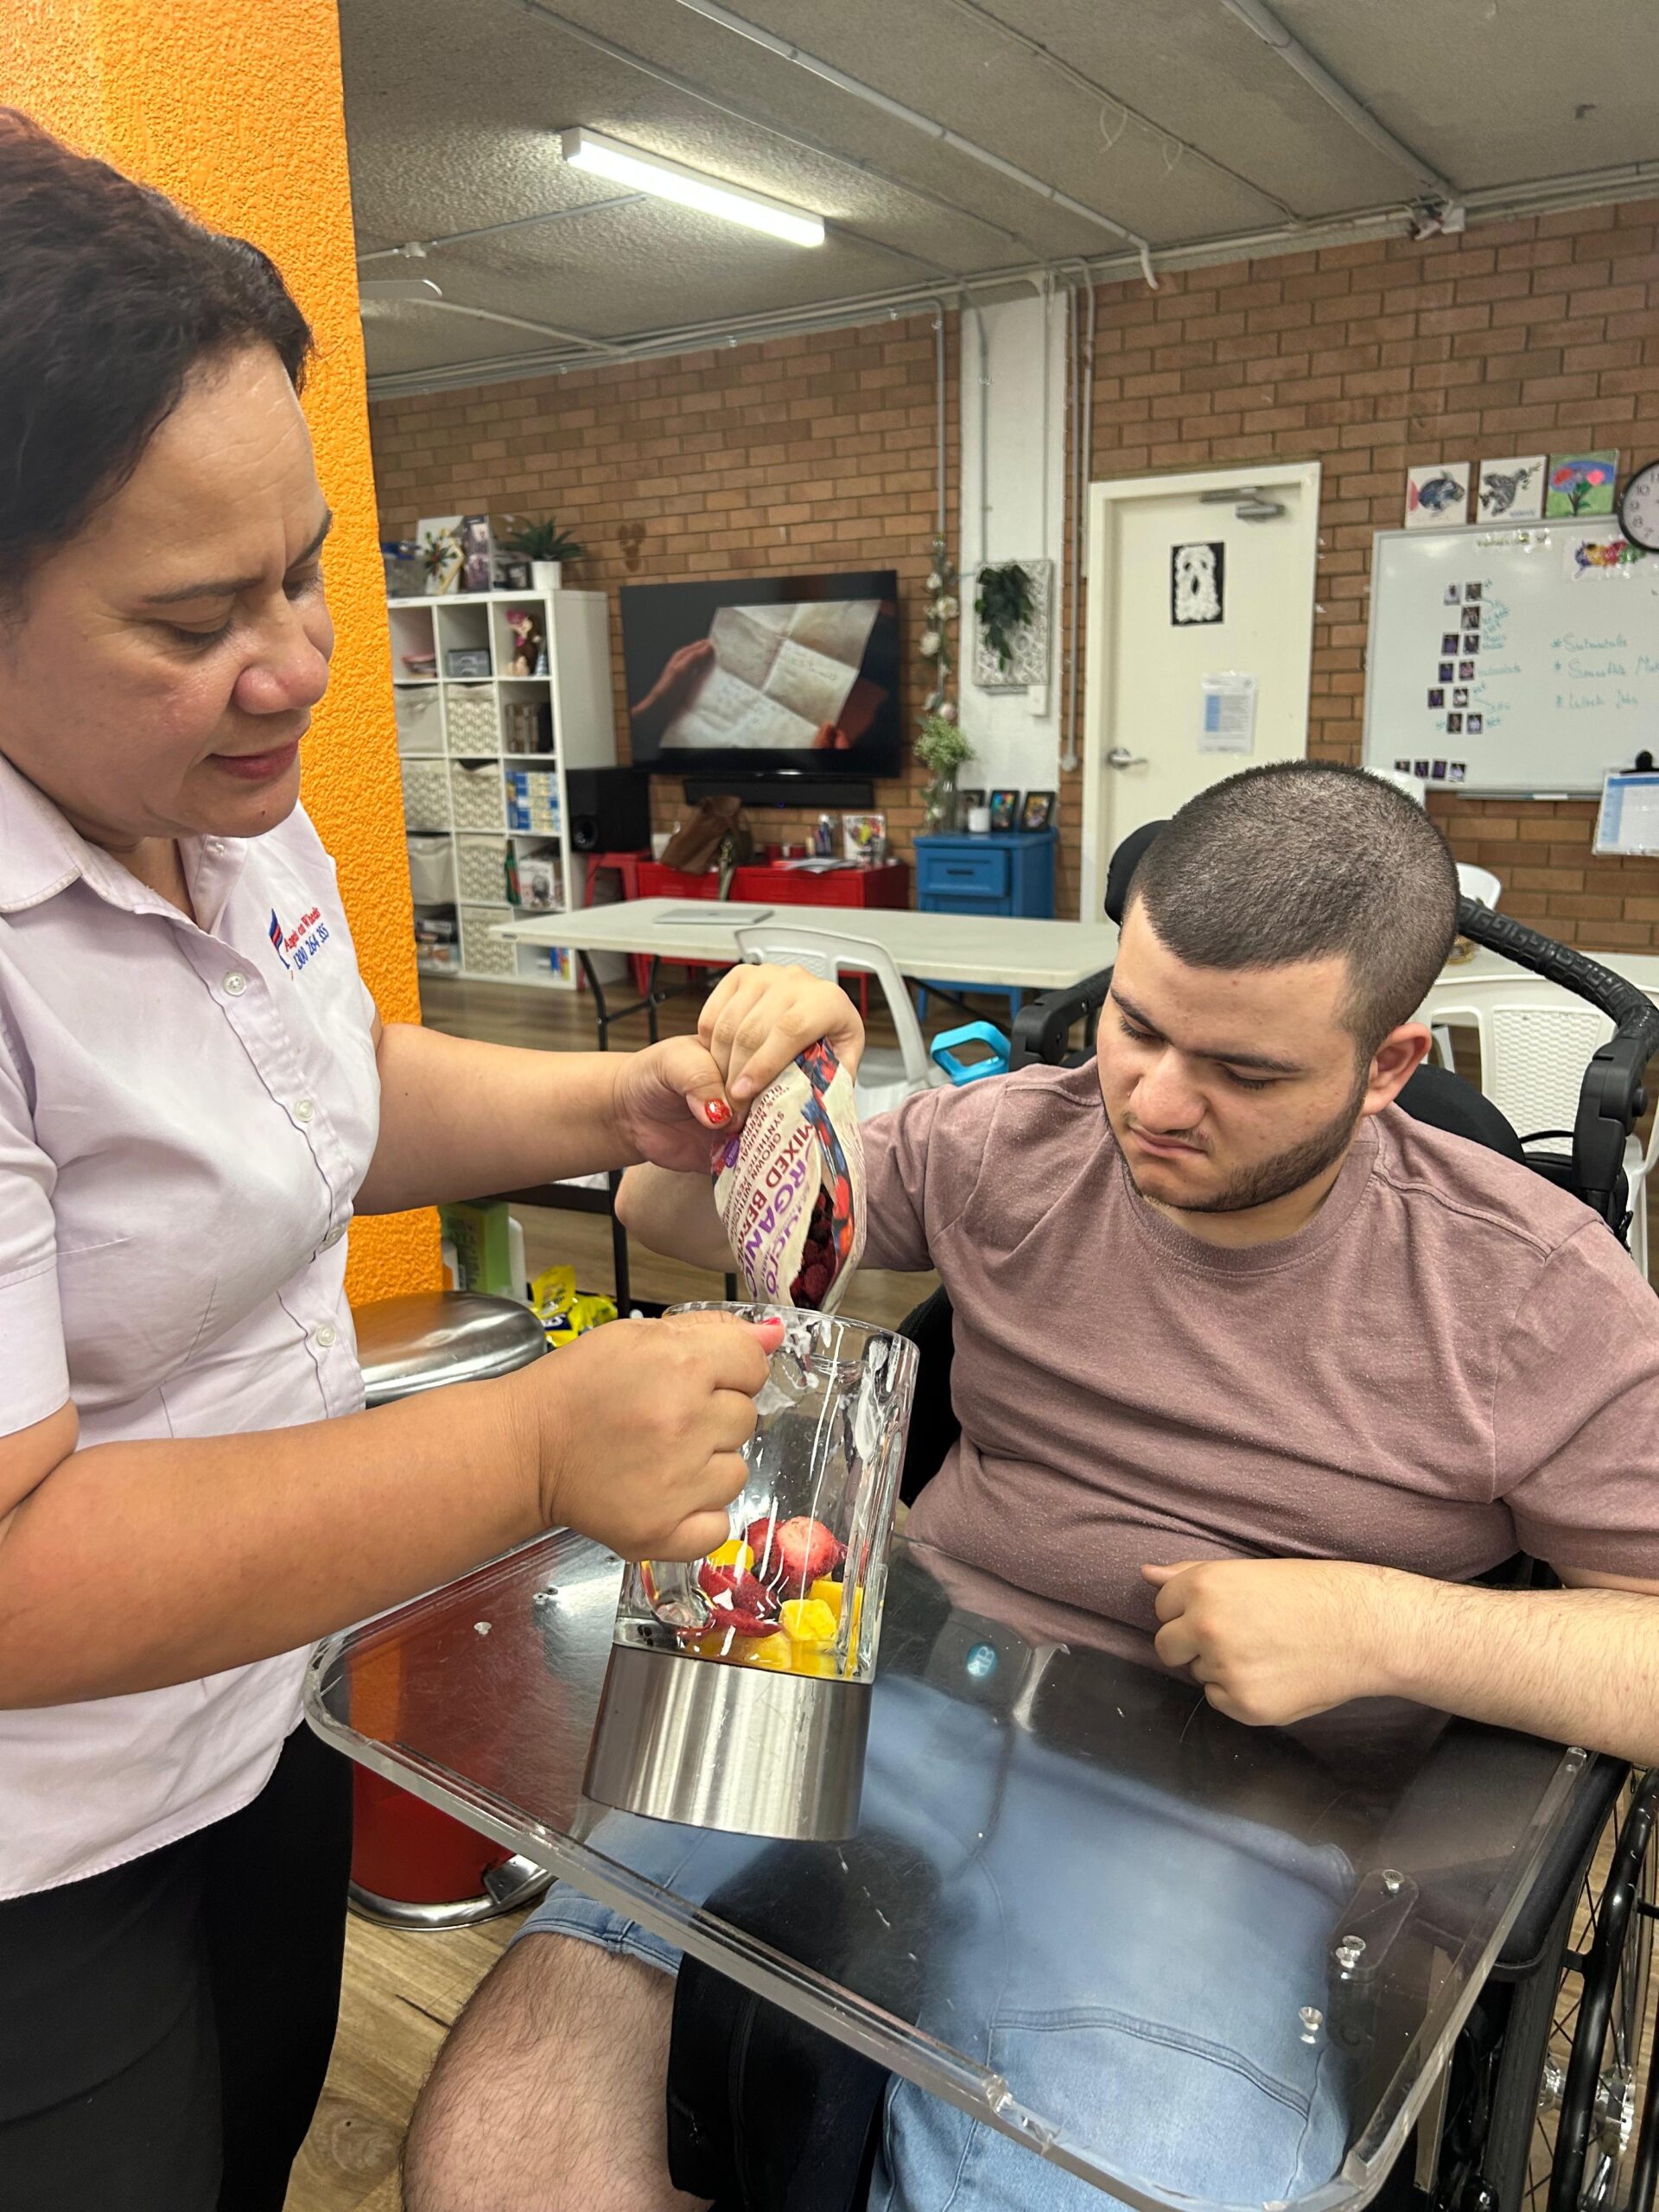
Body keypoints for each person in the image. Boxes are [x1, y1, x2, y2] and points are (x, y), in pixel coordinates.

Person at [403, 762, 1659, 2212]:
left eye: (1243, 1073)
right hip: (886, 1698)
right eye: (1137, 1026)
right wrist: (762, 1092)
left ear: (1387, 1066)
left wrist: (1388, 1630)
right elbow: (671, 1210)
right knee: (511, 2142)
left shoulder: (1524, 1294)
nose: (1154, 1102)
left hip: (1223, 1821)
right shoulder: (1019, 1140)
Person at [0, 112, 801, 2212]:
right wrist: (536, 1450)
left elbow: (310, 1082)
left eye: (307, 565)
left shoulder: (225, 797)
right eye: (190, 617)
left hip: (250, 1714)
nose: (295, 666)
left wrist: (597, 1110)